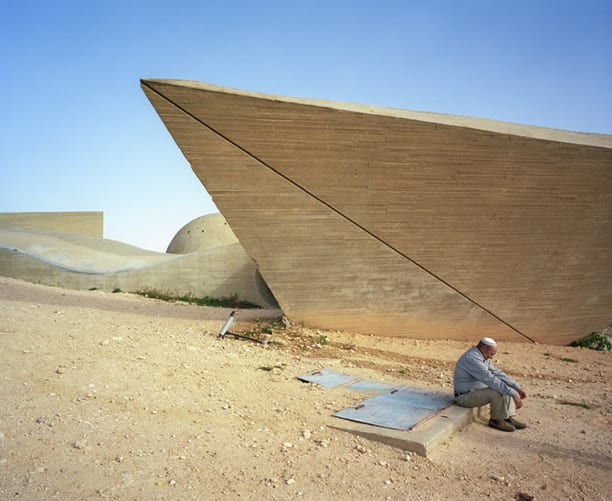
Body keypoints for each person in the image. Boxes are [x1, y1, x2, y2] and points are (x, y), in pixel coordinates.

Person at [453, 337, 527, 432]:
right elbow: (490, 379)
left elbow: (497, 373)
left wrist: (517, 388)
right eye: (491, 354)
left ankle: (506, 417)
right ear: (484, 348)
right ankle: (495, 420)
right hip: (464, 396)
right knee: (496, 391)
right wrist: (514, 395)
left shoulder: (481, 356)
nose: (491, 357)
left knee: (503, 385)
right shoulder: (472, 359)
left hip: (475, 392)